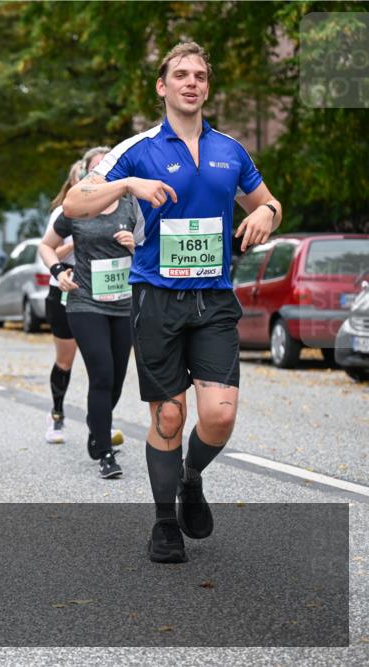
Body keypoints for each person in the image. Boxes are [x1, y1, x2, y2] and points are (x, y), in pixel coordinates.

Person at [64, 42, 282, 563]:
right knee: (168, 416)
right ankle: (165, 523)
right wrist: (127, 184)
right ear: (162, 87)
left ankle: (191, 476)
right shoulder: (136, 149)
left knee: (219, 416)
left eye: (200, 76)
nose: (191, 83)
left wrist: (265, 215)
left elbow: (270, 203)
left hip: (214, 299)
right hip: (156, 298)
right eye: (181, 75)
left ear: (207, 87)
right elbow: (74, 203)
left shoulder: (230, 149)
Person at [41, 146, 141, 480]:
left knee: (116, 381)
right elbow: (46, 245)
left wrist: (135, 246)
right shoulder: (74, 209)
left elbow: (153, 249)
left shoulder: (130, 205)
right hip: (85, 302)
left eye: (107, 166)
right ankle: (106, 453)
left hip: (123, 302)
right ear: (85, 174)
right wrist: (58, 272)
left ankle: (96, 427)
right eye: (95, 169)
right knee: (101, 374)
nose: (102, 173)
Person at [42, 161, 81, 443]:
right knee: (65, 360)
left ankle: (101, 423)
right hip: (64, 289)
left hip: (100, 290)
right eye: (82, 176)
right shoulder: (62, 212)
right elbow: (48, 251)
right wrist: (78, 242)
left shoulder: (115, 209)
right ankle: (56, 414)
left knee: (102, 362)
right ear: (72, 182)